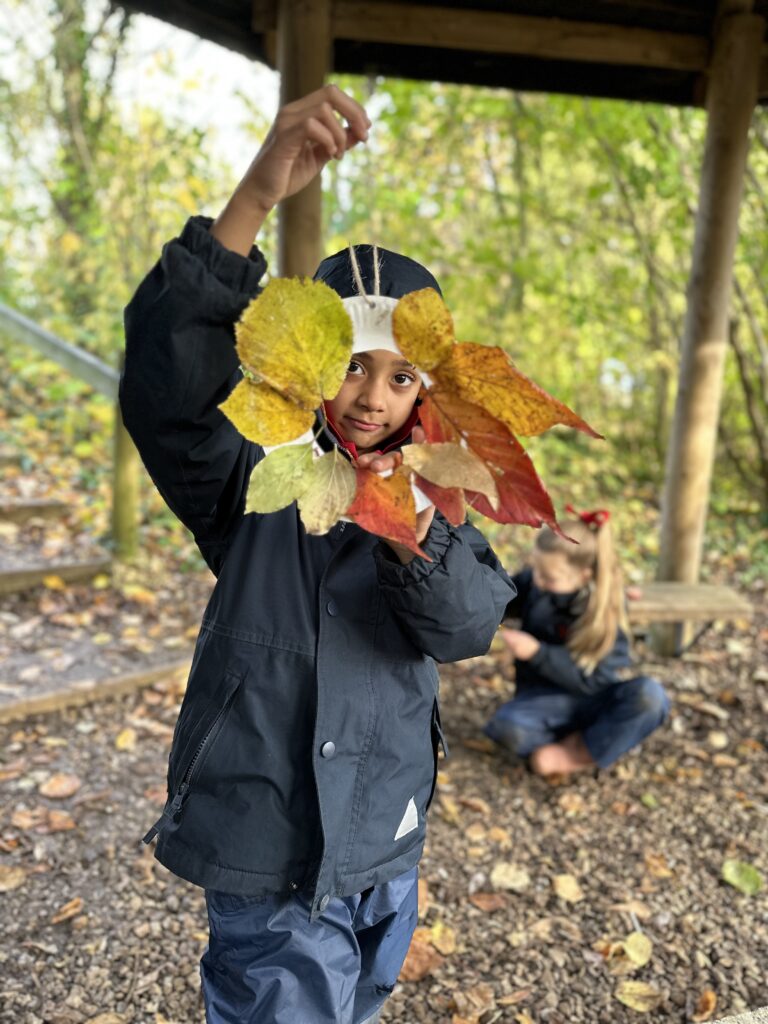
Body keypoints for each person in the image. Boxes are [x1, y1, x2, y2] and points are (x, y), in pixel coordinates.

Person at [120, 84, 515, 1024]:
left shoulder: (440, 496)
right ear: (307, 360)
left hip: (384, 840)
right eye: (350, 363)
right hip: (267, 840)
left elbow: (464, 626)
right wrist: (254, 198)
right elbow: (170, 396)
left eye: (400, 375)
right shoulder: (255, 476)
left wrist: (411, 524)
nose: (373, 396)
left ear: (428, 389)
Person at [483, 508, 670, 776]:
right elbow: (501, 600)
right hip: (543, 700)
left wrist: (537, 652)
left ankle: (575, 754)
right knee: (508, 728)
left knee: (650, 698)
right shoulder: (538, 584)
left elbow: (597, 677)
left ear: (584, 576)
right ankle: (588, 741)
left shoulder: (607, 611)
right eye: (536, 570)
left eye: (549, 578)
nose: (538, 582)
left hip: (595, 698)